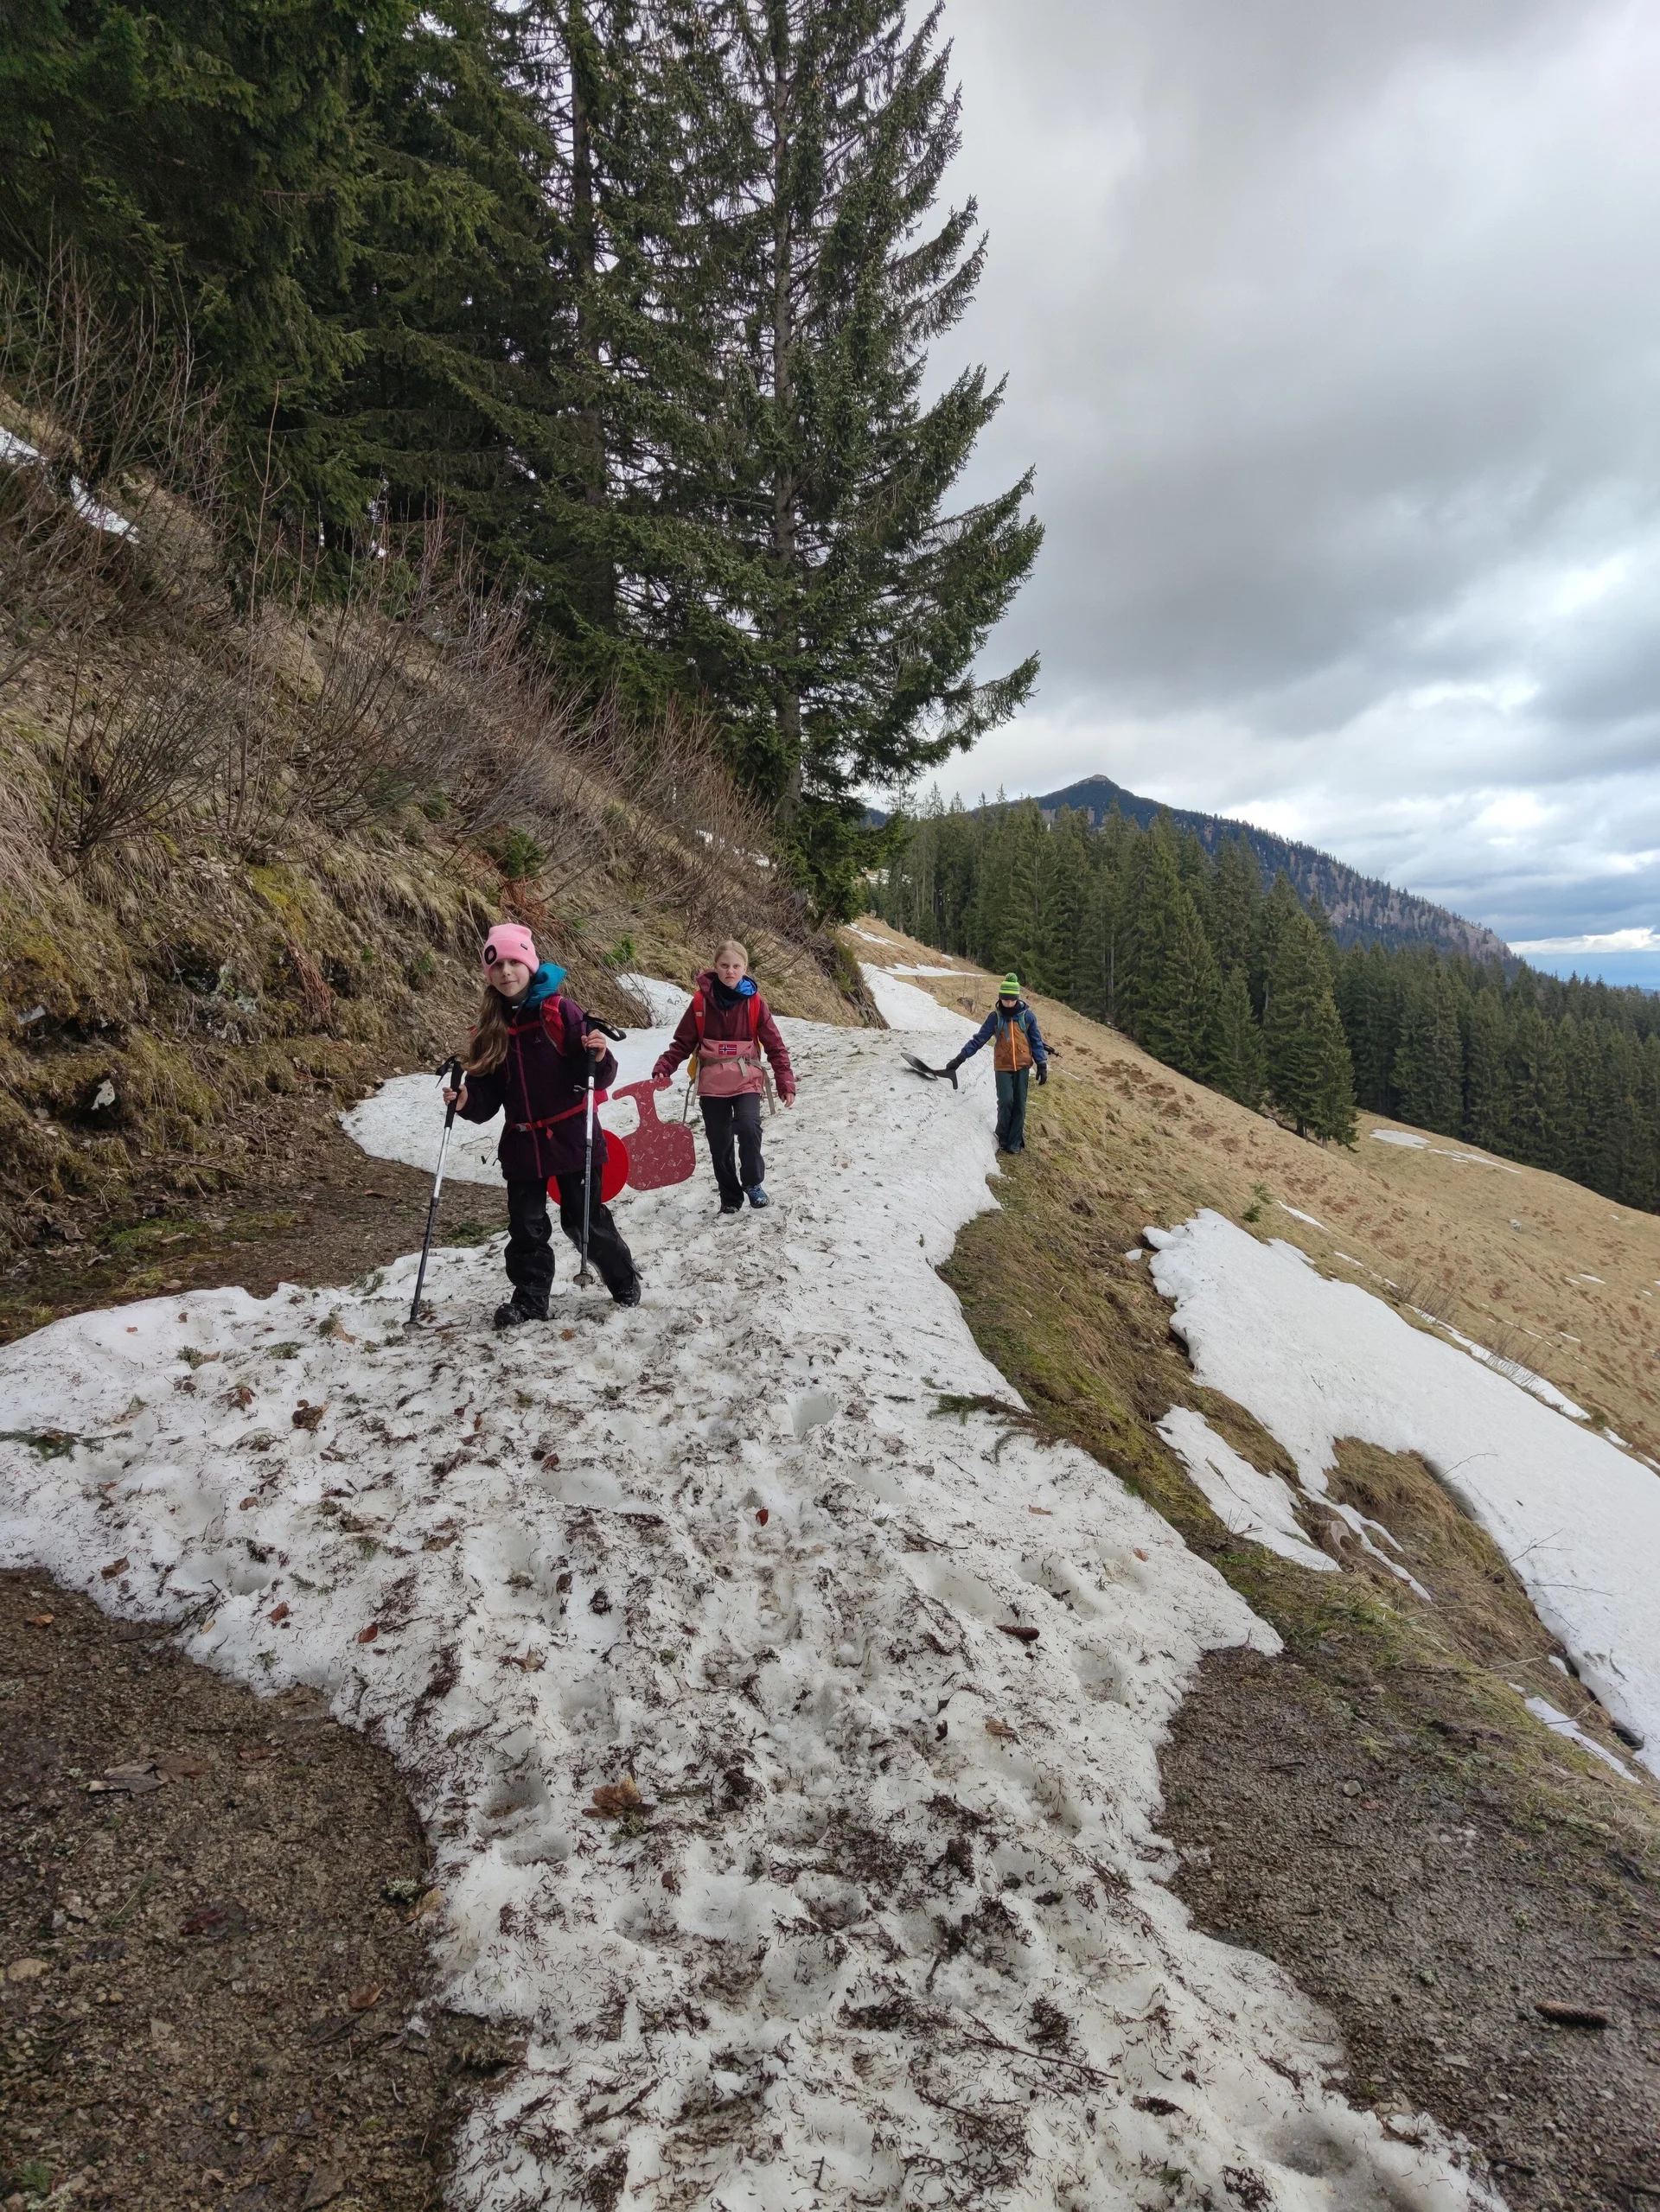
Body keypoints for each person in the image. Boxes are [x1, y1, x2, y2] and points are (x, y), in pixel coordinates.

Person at [444, 923, 642, 1327]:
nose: (506, 972)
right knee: (526, 1228)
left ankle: (623, 1279)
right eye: (497, 964)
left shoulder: (559, 1011)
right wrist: (466, 1101)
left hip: (571, 1136)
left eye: (515, 961)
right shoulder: (489, 1028)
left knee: (583, 1219)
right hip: (521, 1143)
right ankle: (530, 1301)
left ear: (530, 964)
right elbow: (487, 1097)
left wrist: (599, 1055)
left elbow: (596, 1078)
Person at [652, 940, 795, 1215]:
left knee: (749, 1126)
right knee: (719, 1140)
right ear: (715, 966)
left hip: (747, 1077)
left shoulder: (755, 1003)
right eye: (725, 965)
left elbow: (775, 1045)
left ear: (745, 968)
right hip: (712, 1081)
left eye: (736, 966)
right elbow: (682, 1043)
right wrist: (664, 1066)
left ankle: (753, 1183)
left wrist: (785, 1081)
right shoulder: (699, 1003)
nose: (730, 971)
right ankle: (730, 1196)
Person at [944, 972, 1048, 1154]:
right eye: (1004, 999)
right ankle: (1003, 1135)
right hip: (1002, 1067)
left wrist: (1042, 1064)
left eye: (1011, 1000)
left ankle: (1015, 1140)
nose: (1008, 1003)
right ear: (1000, 998)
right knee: (1006, 1101)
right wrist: (959, 1059)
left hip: (1023, 1066)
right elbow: (978, 1040)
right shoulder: (995, 1018)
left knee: (1019, 1104)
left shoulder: (1027, 1017)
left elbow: (1036, 1041)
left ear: (1017, 998)